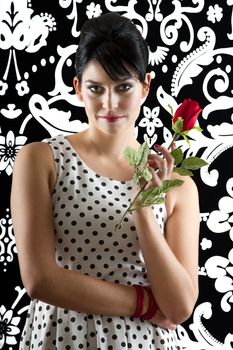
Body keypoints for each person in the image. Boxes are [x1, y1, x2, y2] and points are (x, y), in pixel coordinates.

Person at [11, 12, 200, 350]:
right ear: (78, 88)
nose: (109, 104)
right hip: (62, 338)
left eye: (124, 87)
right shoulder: (40, 160)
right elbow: (39, 279)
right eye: (96, 89)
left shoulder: (176, 184)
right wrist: (143, 303)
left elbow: (180, 306)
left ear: (145, 87)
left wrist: (144, 211)